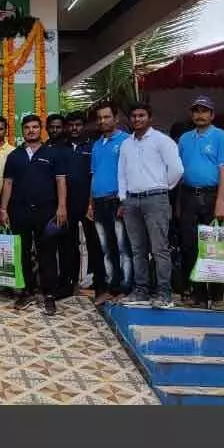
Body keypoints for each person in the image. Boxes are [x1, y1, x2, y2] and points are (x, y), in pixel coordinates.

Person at [0, 114, 69, 316]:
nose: (31, 130)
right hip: (19, 210)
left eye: (35, 127)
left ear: (41, 130)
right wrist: (3, 209)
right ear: (22, 131)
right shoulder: (15, 156)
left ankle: (49, 295)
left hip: (46, 210)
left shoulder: (52, 154)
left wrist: (62, 207)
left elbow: (61, 181)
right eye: (27, 127)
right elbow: (8, 183)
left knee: (47, 253)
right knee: (22, 254)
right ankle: (27, 291)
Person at [117, 102, 184, 309]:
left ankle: (164, 294)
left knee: (159, 248)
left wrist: (163, 187)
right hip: (131, 200)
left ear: (150, 118)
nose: (137, 119)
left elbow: (177, 169)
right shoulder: (127, 144)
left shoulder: (162, 141)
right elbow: (121, 173)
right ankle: (141, 291)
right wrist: (123, 198)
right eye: (134, 116)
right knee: (137, 249)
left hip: (156, 199)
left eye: (141, 115)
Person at [176, 95, 224, 308]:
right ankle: (199, 295)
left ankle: (217, 296)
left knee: (215, 246)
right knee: (190, 247)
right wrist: (179, 203)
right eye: (196, 111)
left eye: (204, 111)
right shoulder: (184, 139)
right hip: (189, 195)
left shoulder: (221, 137)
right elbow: (179, 172)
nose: (199, 115)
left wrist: (220, 201)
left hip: (213, 196)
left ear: (212, 115)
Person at [88, 101, 132, 304]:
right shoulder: (97, 144)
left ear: (116, 118)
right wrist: (90, 203)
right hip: (98, 202)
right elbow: (94, 175)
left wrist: (125, 201)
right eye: (100, 118)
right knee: (106, 248)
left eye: (107, 117)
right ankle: (109, 288)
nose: (103, 121)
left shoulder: (126, 141)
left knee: (123, 247)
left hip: (117, 200)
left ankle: (125, 288)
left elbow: (130, 173)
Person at [63, 111, 105, 300]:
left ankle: (99, 284)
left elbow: (95, 175)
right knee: (68, 245)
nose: (74, 128)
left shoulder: (93, 147)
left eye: (78, 125)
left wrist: (91, 203)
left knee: (93, 244)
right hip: (66, 205)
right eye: (71, 125)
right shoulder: (60, 148)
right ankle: (69, 282)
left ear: (84, 126)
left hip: (88, 203)